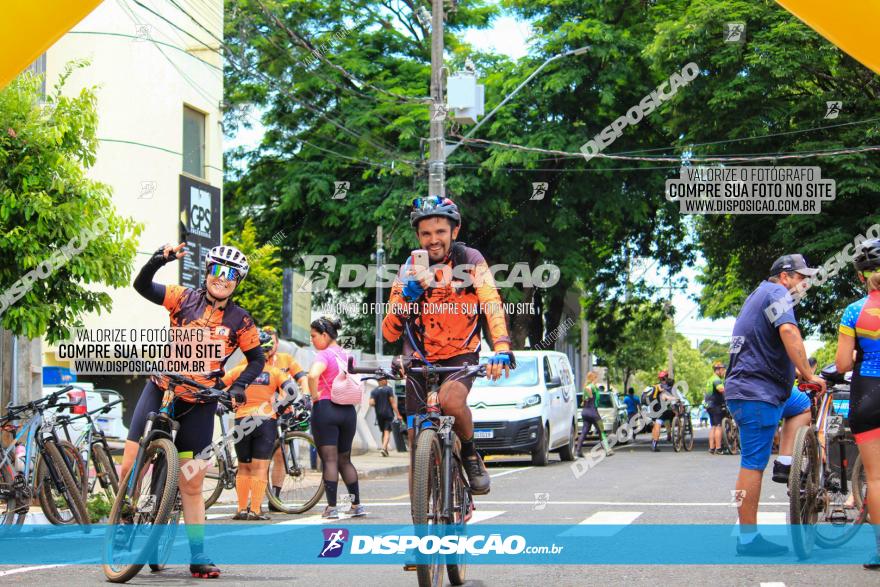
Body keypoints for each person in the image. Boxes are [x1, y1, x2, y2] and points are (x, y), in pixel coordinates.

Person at [125, 243, 264, 578]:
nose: (222, 278)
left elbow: (257, 359)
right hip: (162, 388)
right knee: (130, 464)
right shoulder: (183, 297)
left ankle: (198, 555)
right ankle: (124, 517)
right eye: (217, 270)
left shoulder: (240, 320)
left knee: (191, 481)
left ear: (238, 282)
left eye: (231, 274)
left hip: (201, 401)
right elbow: (141, 286)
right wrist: (159, 259)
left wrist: (239, 387)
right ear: (206, 272)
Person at [382, 196, 514, 496]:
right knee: (417, 438)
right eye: (426, 234)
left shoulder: (471, 259)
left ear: (454, 231)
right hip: (419, 358)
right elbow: (389, 332)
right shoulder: (408, 270)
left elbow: (491, 302)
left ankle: (469, 453)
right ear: (418, 236)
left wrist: (502, 347)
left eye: (440, 232)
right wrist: (408, 297)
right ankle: (422, 514)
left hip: (461, 354)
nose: (433, 240)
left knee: (451, 402)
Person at [725, 253, 825, 557]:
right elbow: (788, 332)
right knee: (752, 464)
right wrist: (808, 373)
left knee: (800, 404)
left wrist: (795, 373)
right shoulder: (778, 293)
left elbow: (763, 346)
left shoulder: (759, 294)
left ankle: (785, 465)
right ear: (785, 276)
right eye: (801, 278)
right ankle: (748, 539)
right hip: (756, 393)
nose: (804, 284)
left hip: (770, 391)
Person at [834, 238, 880, 570]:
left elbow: (842, 365)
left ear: (862, 275)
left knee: (876, 479)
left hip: (868, 393)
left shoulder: (853, 311)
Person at [221, 329, 298, 520]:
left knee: (243, 466)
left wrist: (229, 405)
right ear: (269, 351)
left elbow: (218, 388)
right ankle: (255, 510)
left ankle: (240, 509)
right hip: (266, 422)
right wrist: (278, 410)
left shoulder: (239, 371)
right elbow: (292, 392)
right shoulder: (274, 372)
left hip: (242, 421)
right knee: (260, 467)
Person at [308, 316, 365, 519]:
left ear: (325, 335)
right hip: (347, 411)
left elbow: (313, 375)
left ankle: (331, 508)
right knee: (345, 460)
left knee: (330, 460)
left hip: (326, 408)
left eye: (314, 336)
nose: (312, 340)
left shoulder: (324, 355)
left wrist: (315, 397)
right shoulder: (347, 355)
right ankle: (356, 504)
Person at [259, 325, 310, 512]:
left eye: (273, 342)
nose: (270, 346)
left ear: (277, 343)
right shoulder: (255, 361)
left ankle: (275, 497)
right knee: (261, 457)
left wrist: (306, 396)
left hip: (284, 413)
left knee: (281, 455)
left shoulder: (286, 359)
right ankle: (255, 496)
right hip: (261, 414)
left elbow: (302, 378)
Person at [770, 357, 815, 483]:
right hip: (767, 391)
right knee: (807, 402)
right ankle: (784, 462)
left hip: (735, 393)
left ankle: (784, 462)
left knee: (750, 462)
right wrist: (807, 375)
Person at [576, 371, 613, 457]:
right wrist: (590, 394)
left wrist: (588, 397)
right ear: (593, 378)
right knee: (601, 430)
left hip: (585, 412)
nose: (597, 380)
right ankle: (607, 450)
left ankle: (578, 451)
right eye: (597, 378)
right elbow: (589, 391)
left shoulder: (587, 387)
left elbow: (583, 402)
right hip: (593, 413)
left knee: (584, 432)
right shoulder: (591, 387)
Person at [370, 377, 401, 456]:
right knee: (387, 432)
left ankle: (385, 450)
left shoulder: (374, 391)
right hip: (388, 414)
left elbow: (371, 403)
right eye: (385, 380)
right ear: (382, 381)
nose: (386, 381)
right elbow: (392, 403)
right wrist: (398, 414)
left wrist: (378, 403)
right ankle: (383, 448)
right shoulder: (388, 389)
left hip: (379, 415)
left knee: (383, 432)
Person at [648, 371, 677, 452]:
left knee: (656, 424)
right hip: (660, 408)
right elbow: (666, 397)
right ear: (666, 377)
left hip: (652, 407)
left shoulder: (657, 386)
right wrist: (675, 399)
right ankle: (655, 444)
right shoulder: (666, 386)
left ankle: (654, 443)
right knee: (659, 423)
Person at [705, 361, 727, 455]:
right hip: (716, 405)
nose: (723, 372)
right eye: (723, 370)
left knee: (713, 426)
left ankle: (711, 447)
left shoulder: (710, 379)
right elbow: (721, 389)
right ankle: (718, 448)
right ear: (719, 370)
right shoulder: (717, 379)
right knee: (718, 426)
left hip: (709, 405)